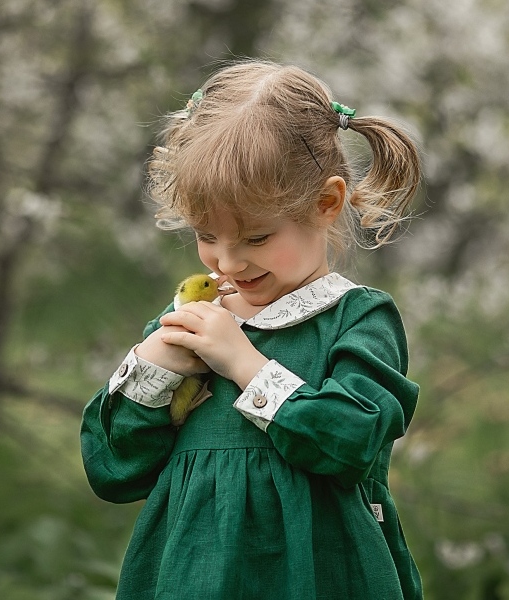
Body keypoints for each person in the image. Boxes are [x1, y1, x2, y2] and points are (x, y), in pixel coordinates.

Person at [80, 59, 424, 599]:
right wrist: (152, 370)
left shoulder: (356, 319)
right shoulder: (195, 321)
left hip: (320, 576)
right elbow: (114, 471)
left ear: (326, 203)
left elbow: (350, 443)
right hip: (191, 579)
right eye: (206, 234)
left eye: (257, 238)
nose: (228, 261)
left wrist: (245, 365)